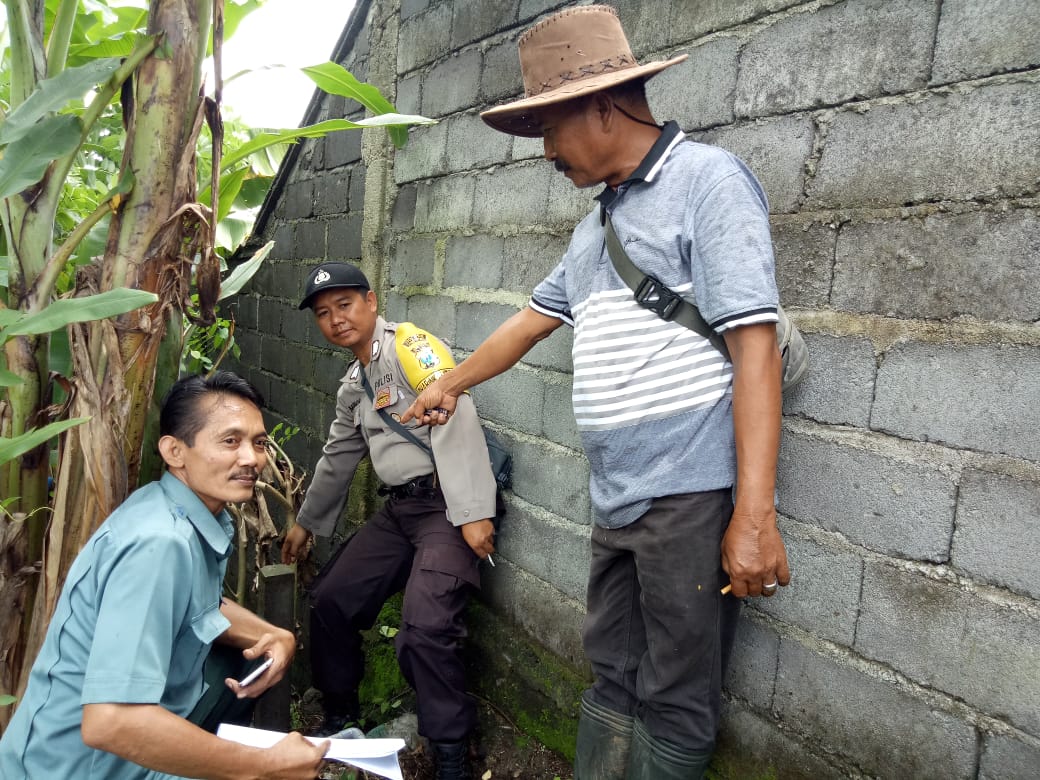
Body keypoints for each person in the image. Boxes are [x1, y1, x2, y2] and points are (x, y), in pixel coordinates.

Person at [400, 5, 792, 779]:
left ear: (605, 107)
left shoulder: (707, 182)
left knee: (678, 690)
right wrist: (447, 383)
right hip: (616, 492)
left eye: (549, 128)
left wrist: (754, 513)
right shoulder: (595, 228)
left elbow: (757, 349)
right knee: (611, 665)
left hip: (689, 489)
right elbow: (528, 323)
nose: (544, 150)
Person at [0, 372, 330, 780]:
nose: (252, 458)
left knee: (234, 662)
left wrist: (279, 635)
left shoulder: (178, 512)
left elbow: (197, 605)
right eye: (230, 441)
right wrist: (264, 765)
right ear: (175, 451)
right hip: (81, 769)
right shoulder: (159, 544)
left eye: (258, 443)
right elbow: (112, 721)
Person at [281, 262, 498, 780]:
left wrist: (472, 513)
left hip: (446, 507)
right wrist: (306, 524)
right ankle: (340, 718)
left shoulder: (409, 346)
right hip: (401, 510)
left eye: (345, 305)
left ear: (372, 302)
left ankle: (450, 755)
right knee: (332, 599)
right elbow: (338, 456)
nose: (335, 320)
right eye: (323, 314)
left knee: (424, 630)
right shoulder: (355, 383)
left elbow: (455, 408)